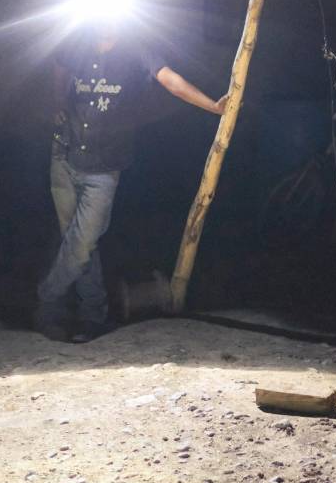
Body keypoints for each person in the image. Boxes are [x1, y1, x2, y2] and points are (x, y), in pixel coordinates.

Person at [34, 24, 228, 342]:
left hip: (103, 168)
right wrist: (57, 102)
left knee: (80, 244)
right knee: (79, 244)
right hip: (64, 156)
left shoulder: (137, 52)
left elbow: (171, 80)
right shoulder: (77, 45)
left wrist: (213, 106)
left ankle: (45, 301)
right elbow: (59, 68)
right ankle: (93, 316)